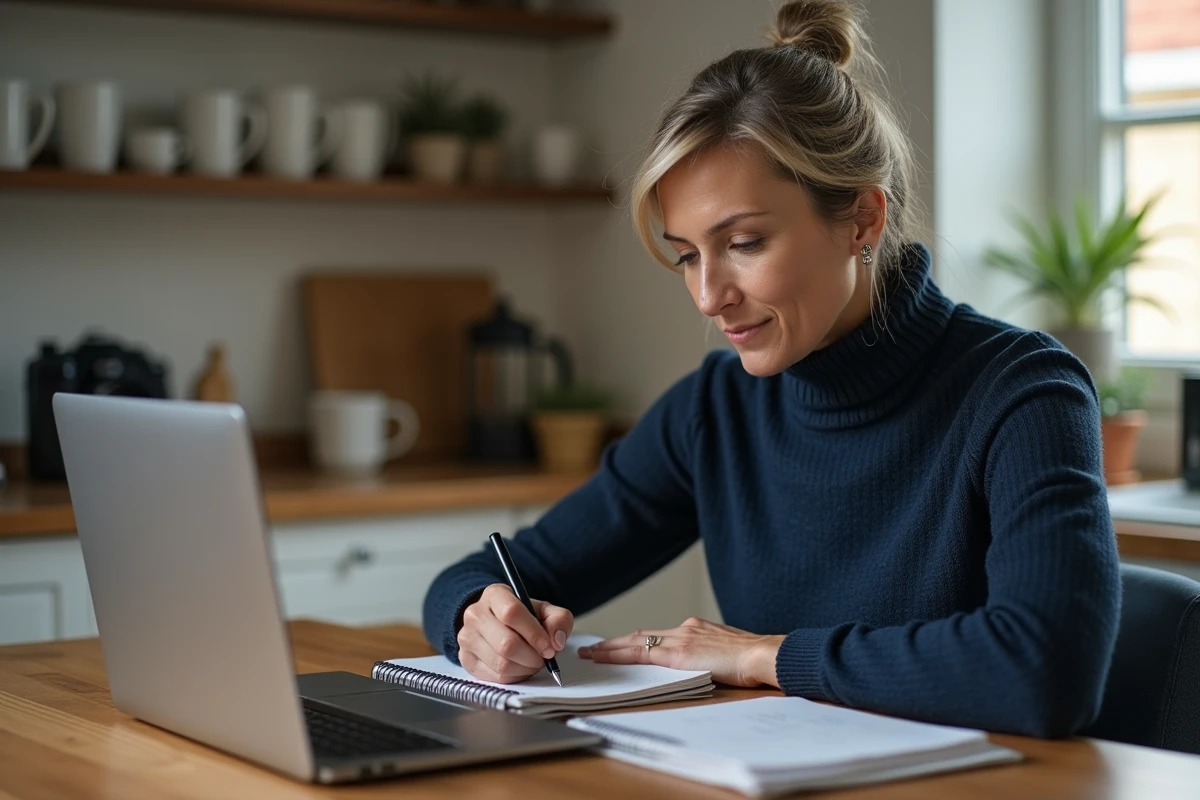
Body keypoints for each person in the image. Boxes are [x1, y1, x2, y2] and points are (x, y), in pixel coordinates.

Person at [422, 0, 1120, 738]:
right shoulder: (712, 413)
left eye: (745, 243)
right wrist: (481, 618)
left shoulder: (1022, 392)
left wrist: (764, 657)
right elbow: (479, 575)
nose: (707, 295)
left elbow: (1047, 671)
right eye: (688, 253)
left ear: (862, 220)